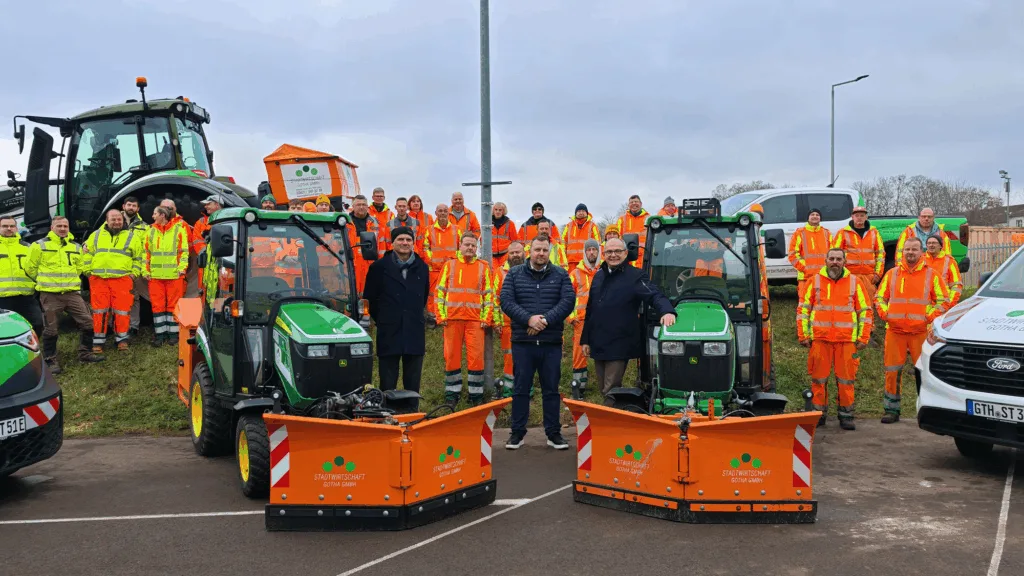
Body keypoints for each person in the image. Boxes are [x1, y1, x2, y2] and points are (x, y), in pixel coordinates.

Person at [499, 234, 575, 450]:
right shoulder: (514, 274)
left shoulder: (561, 274)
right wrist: (528, 319)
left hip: (550, 343)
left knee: (551, 389)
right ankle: (517, 433)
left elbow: (568, 301)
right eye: (537, 250)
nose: (541, 253)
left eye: (544, 250)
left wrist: (545, 320)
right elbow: (506, 301)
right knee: (521, 388)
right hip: (523, 342)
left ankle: (553, 434)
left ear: (549, 251)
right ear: (529, 251)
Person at [580, 238, 675, 397]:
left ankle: (610, 420)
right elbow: (591, 311)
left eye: (618, 251)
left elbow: (654, 295)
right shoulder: (598, 276)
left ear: (625, 253)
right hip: (598, 342)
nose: (613, 255)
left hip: (619, 344)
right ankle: (613, 415)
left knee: (611, 389)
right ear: (603, 254)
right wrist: (585, 339)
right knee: (603, 388)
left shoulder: (635, 277)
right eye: (609, 252)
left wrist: (667, 311)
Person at [797, 248, 873, 430]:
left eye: (839, 259)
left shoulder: (855, 282)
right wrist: (803, 335)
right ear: (825, 260)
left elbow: (865, 312)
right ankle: (818, 414)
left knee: (846, 381)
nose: (835, 262)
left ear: (844, 262)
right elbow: (803, 310)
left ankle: (846, 416)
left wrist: (863, 337)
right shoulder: (813, 281)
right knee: (818, 380)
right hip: (820, 340)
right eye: (831, 258)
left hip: (846, 342)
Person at [875, 237, 949, 423]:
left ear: (921, 252)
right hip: (895, 332)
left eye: (914, 249)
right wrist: (887, 315)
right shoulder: (892, 274)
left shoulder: (932, 275)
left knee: (924, 372)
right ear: (902, 251)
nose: (910, 252)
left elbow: (943, 301)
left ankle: (926, 411)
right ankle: (891, 410)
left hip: (920, 333)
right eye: (907, 249)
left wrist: (927, 317)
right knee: (892, 371)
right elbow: (879, 298)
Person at [26, 216, 104, 371]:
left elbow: (79, 268)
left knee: (88, 323)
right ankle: (50, 360)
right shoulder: (38, 246)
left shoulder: (75, 247)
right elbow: (30, 268)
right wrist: (45, 282)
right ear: (52, 227)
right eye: (59, 226)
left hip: (72, 294)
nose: (62, 228)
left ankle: (85, 353)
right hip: (50, 295)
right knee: (51, 329)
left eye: (65, 226)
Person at [363, 226, 430, 409]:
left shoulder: (422, 267)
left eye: (408, 240)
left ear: (413, 244)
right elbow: (371, 297)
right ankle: (387, 413)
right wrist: (384, 318)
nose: (405, 243)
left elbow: (423, 296)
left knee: (413, 378)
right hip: (389, 329)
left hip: (414, 329)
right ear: (393, 243)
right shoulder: (379, 267)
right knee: (388, 378)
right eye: (401, 239)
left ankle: (411, 414)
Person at [435, 232, 494, 406]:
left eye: (473, 245)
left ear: (477, 248)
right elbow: (440, 292)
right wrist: (441, 315)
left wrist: (486, 318)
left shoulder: (483, 267)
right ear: (460, 246)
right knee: (451, 356)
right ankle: (452, 395)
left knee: (476, 358)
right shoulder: (449, 265)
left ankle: (475, 396)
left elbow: (489, 295)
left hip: (475, 321)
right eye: (467, 244)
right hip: (452, 320)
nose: (470, 247)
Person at [84, 209, 145, 354]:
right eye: (113, 219)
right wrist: (88, 272)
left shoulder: (131, 237)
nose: (117, 222)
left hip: (122, 280)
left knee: (122, 312)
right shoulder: (96, 235)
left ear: (123, 220)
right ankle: (98, 342)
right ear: (107, 219)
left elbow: (139, 258)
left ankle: (122, 340)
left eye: (119, 219)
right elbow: (87, 254)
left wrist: (133, 275)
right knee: (99, 312)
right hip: (99, 280)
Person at [144, 205, 189, 346]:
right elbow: (145, 253)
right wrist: (145, 271)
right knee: (157, 306)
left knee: (173, 305)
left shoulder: (179, 230)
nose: (153, 216)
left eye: (155, 213)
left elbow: (184, 252)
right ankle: (160, 335)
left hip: (174, 276)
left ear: (162, 215)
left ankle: (173, 335)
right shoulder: (150, 231)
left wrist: (182, 269)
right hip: (155, 277)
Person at [0, 217, 43, 339]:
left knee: (37, 324)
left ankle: (31, 350)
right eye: (5, 226)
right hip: (2, 298)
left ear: (16, 228)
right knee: (5, 330)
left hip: (26, 297)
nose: (9, 229)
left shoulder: (28, 248)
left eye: (12, 226)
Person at [831, 204, 884, 303]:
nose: (859, 218)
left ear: (866, 217)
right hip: (849, 275)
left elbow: (880, 254)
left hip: (869, 276)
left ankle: (867, 319)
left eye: (862, 215)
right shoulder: (843, 232)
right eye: (857, 215)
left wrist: (878, 274)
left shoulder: (874, 232)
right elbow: (834, 255)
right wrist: (839, 273)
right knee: (848, 302)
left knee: (868, 304)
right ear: (852, 217)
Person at [492, 241, 525, 397]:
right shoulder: (500, 273)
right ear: (508, 255)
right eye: (512, 253)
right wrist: (497, 321)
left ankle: (527, 388)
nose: (515, 255)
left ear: (523, 253)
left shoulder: (530, 271)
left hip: (527, 324)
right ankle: (509, 390)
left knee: (526, 356)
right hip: (507, 324)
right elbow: (495, 299)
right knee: (509, 357)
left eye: (518, 252)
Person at [568, 239, 601, 395]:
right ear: (585, 252)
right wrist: (570, 316)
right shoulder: (575, 273)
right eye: (589, 250)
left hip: (602, 320)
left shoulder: (605, 271)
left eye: (594, 249)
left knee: (604, 349)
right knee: (580, 353)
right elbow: (566, 297)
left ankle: (606, 386)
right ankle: (579, 387)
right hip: (581, 320)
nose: (592, 252)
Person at [423, 203, 462, 321]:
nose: (443, 213)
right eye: (440, 211)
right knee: (433, 293)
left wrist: (455, 261)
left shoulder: (457, 229)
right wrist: (432, 261)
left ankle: (450, 315)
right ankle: (432, 317)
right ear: (436, 213)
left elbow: (461, 248)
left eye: (445, 211)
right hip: (434, 268)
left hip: (453, 268)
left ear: (448, 213)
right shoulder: (429, 230)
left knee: (452, 292)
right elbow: (425, 248)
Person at [788, 208, 832, 302]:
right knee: (805, 303)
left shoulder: (827, 233)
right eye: (812, 214)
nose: (815, 216)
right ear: (808, 218)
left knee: (824, 302)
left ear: (820, 218)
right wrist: (805, 268)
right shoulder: (800, 233)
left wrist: (830, 269)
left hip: (824, 275)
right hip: (805, 277)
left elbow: (832, 254)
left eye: (817, 215)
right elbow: (792, 255)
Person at [346, 194, 383, 294]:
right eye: (358, 205)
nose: (361, 207)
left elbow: (382, 243)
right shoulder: (345, 222)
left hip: (371, 263)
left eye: (364, 204)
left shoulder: (376, 223)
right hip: (351, 263)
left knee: (370, 292)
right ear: (353, 207)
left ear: (367, 206)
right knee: (352, 291)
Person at [122, 196, 148, 336]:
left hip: (133, 267)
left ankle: (133, 326)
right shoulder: (113, 221)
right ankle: (113, 326)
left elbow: (146, 249)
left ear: (138, 209)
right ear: (123, 206)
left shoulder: (144, 227)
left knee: (134, 297)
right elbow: (98, 236)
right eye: (129, 205)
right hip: (116, 266)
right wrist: (85, 245)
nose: (131, 208)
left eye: (134, 206)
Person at [923, 233, 964, 308]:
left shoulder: (949, 261)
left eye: (934, 243)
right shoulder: (920, 260)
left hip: (943, 305)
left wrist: (950, 304)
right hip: (923, 306)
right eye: (929, 243)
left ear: (941, 246)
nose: (931, 245)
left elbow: (956, 285)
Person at [563, 203, 601, 271]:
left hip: (586, 262)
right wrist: (563, 259)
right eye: (579, 211)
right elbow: (563, 243)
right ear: (575, 213)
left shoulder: (593, 226)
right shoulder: (568, 226)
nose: (581, 213)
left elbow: (597, 244)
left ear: (587, 213)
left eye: (583, 211)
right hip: (570, 263)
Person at [615, 195, 650, 268]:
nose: (634, 203)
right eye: (631, 202)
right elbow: (616, 238)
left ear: (641, 203)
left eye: (636, 201)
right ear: (628, 205)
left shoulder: (649, 219)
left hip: (645, 258)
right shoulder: (621, 220)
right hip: (626, 258)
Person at [490, 202, 518, 269]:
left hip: (505, 254)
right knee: (493, 274)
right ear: (493, 211)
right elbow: (483, 240)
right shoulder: (487, 223)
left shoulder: (510, 224)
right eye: (496, 209)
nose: (498, 212)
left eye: (500, 210)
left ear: (503, 211)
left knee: (505, 273)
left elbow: (515, 241)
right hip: (492, 256)